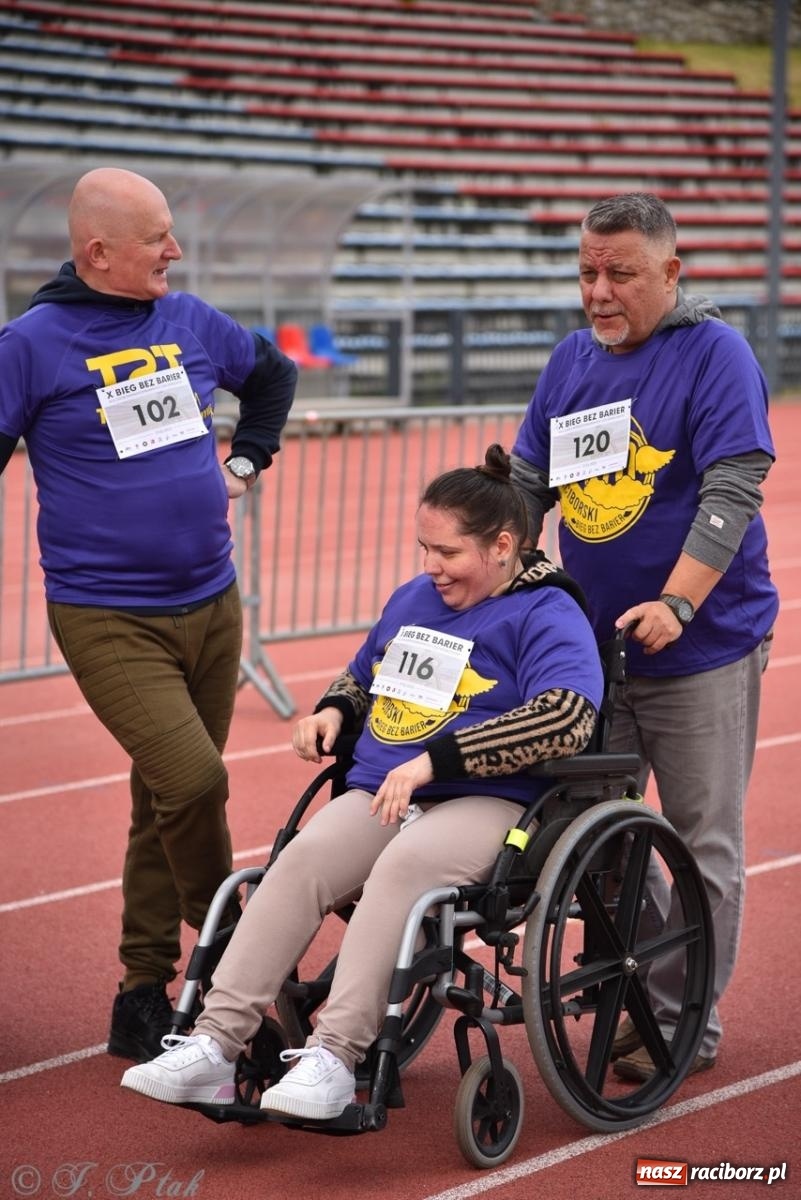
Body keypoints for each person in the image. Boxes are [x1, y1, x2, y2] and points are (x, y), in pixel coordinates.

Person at [120, 444, 604, 1119]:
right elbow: (367, 672)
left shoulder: (547, 613)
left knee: (404, 865)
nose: (430, 567)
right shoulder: (415, 597)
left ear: (501, 545)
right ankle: (212, 1044)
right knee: (303, 859)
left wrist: (438, 759)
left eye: (447, 553)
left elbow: (566, 718)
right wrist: (332, 708)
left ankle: (333, 1056)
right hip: (387, 790)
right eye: (423, 548)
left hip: (493, 801)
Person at [0, 167, 297, 1063]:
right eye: (157, 237)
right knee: (196, 781)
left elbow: (273, 377)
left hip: (213, 601)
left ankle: (141, 992)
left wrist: (244, 464)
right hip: (106, 615)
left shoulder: (192, 318)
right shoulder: (30, 344)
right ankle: (240, 965)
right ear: (98, 252)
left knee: (162, 795)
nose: (176, 250)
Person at [510, 191, 778, 1082]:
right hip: (592, 651)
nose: (597, 291)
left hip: (698, 645)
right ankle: (642, 994)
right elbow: (527, 482)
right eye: (586, 271)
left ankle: (681, 1025)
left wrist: (678, 603)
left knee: (701, 842)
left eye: (619, 272)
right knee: (610, 839)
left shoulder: (714, 355)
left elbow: (732, 491)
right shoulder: (568, 362)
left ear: (670, 271)